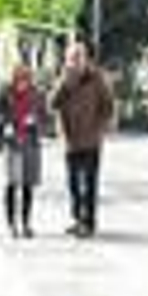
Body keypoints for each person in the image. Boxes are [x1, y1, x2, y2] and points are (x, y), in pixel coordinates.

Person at [50, 40, 114, 238]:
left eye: (79, 56)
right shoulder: (64, 79)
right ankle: (78, 218)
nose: (75, 61)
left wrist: (100, 128)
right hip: (70, 141)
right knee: (73, 184)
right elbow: (51, 104)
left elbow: (108, 105)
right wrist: (64, 82)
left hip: (91, 140)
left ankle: (89, 222)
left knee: (89, 183)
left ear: (86, 58)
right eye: (72, 57)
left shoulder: (97, 78)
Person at [0, 61, 46, 239]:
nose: (22, 83)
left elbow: (44, 116)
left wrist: (35, 121)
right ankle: (11, 224)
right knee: (12, 184)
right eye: (19, 79)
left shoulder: (36, 94)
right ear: (13, 79)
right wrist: (5, 123)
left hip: (30, 142)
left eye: (26, 79)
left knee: (28, 185)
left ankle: (26, 223)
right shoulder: (5, 92)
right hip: (11, 143)